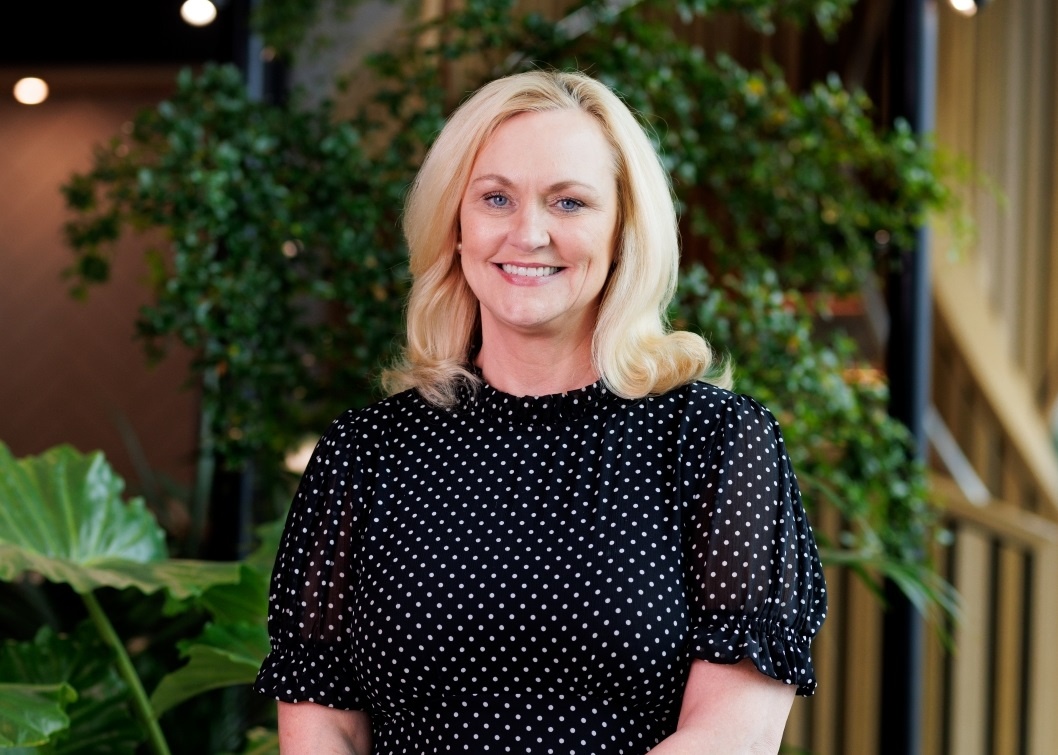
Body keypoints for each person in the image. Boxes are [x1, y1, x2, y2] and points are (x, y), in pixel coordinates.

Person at [254, 69, 827, 754]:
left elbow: (731, 736)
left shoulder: (716, 440)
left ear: (623, 232)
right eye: (496, 198)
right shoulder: (365, 452)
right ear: (456, 225)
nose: (528, 234)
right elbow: (323, 725)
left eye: (569, 202)